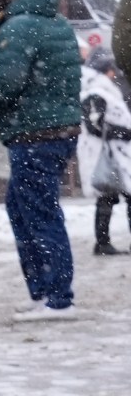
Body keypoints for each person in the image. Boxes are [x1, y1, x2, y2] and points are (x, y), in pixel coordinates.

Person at [0, 0, 83, 320]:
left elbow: (7, 83)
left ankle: (57, 296)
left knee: (37, 212)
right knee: (23, 208)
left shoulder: (18, 29)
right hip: (58, 130)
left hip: (35, 134)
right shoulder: (53, 22)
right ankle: (44, 291)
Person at [80, 48, 131, 256]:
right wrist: (124, 132)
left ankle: (102, 242)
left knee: (109, 198)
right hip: (109, 155)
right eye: (110, 69)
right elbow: (96, 124)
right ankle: (102, 242)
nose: (114, 73)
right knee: (111, 197)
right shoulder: (97, 92)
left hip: (115, 154)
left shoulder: (104, 91)